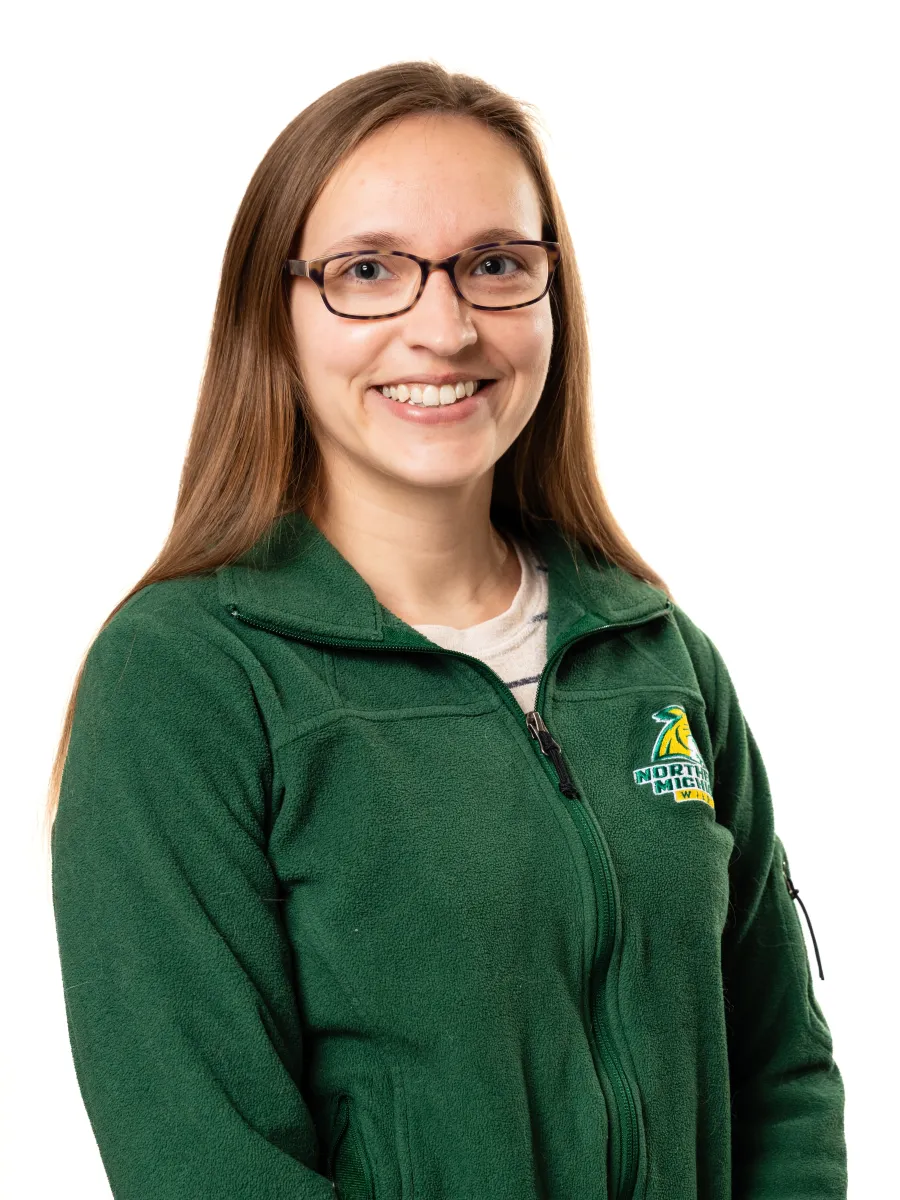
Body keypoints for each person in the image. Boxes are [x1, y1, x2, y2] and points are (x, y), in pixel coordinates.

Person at [47, 61, 848, 1200]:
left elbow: (783, 1072)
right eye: (368, 270)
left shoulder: (658, 656)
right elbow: (205, 1158)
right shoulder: (186, 677)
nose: (445, 326)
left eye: (495, 264)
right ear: (273, 313)